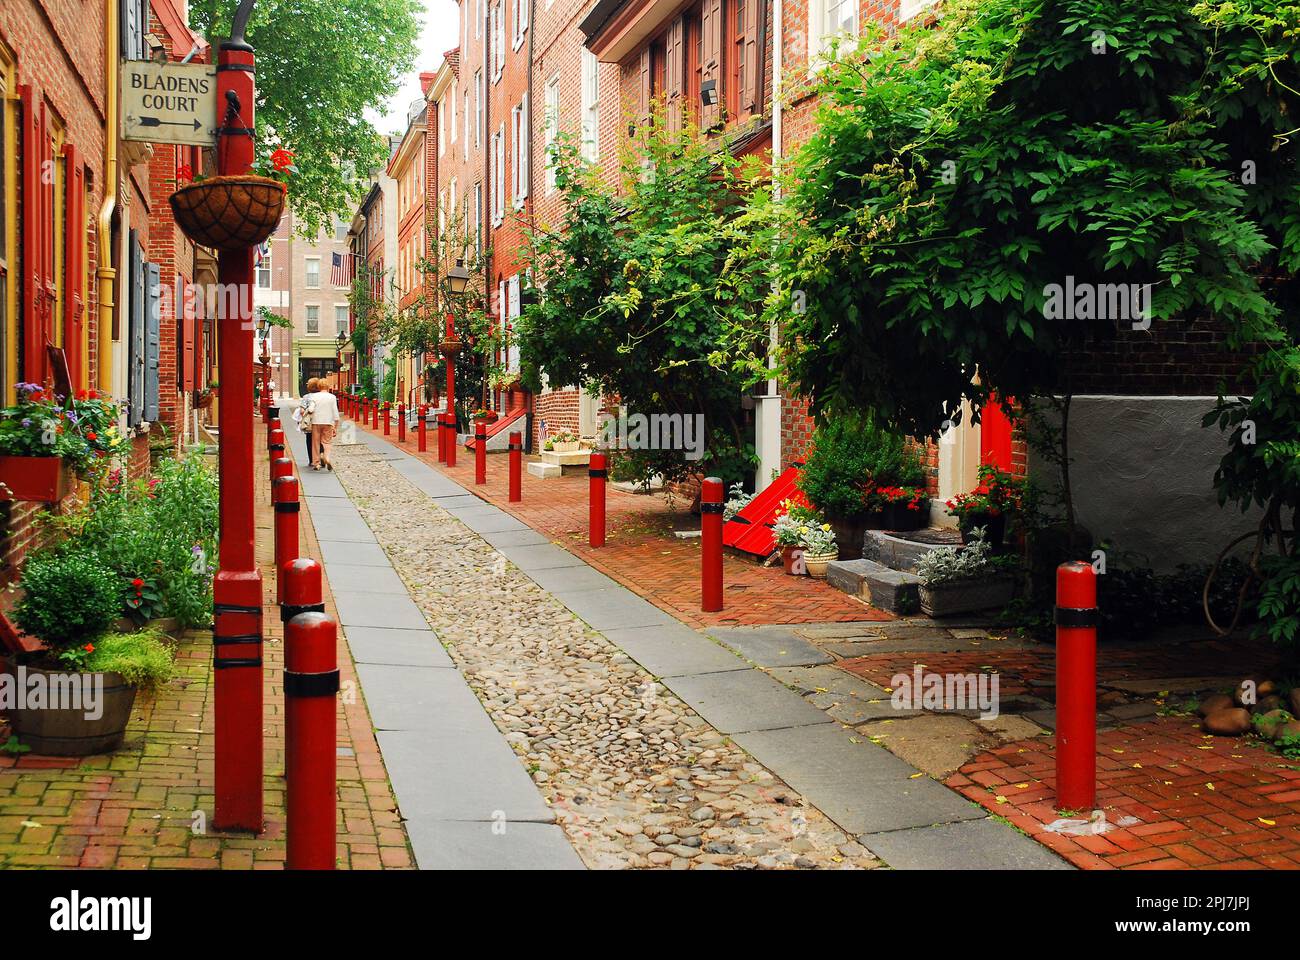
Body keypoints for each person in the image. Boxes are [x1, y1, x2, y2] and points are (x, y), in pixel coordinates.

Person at [309, 380, 340, 471]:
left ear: (319, 387)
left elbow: (311, 409)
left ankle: (316, 463)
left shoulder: (314, 396)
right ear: (328, 386)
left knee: (315, 443)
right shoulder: (332, 397)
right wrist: (335, 427)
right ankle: (327, 458)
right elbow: (335, 413)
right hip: (328, 422)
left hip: (316, 421)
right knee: (327, 442)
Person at [298, 378, 319, 466]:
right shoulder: (322, 396)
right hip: (320, 421)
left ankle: (311, 460)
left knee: (309, 440)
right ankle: (320, 454)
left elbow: (302, 411)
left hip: (309, 422)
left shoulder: (306, 397)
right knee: (320, 439)